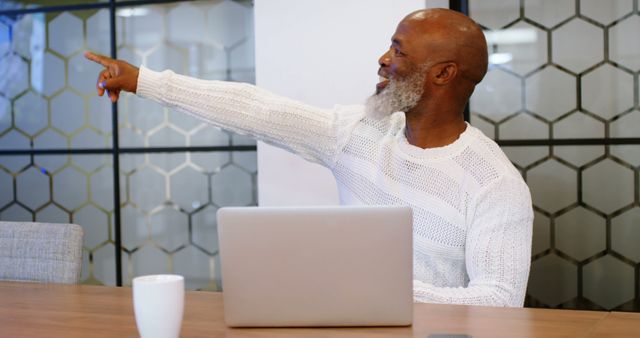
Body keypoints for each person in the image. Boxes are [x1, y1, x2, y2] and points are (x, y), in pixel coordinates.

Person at [86, 8, 533, 307]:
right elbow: (257, 110)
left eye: (398, 50)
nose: (382, 59)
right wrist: (144, 81)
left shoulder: (495, 183)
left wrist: (378, 292)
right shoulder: (359, 134)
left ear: (443, 73)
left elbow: (499, 300)